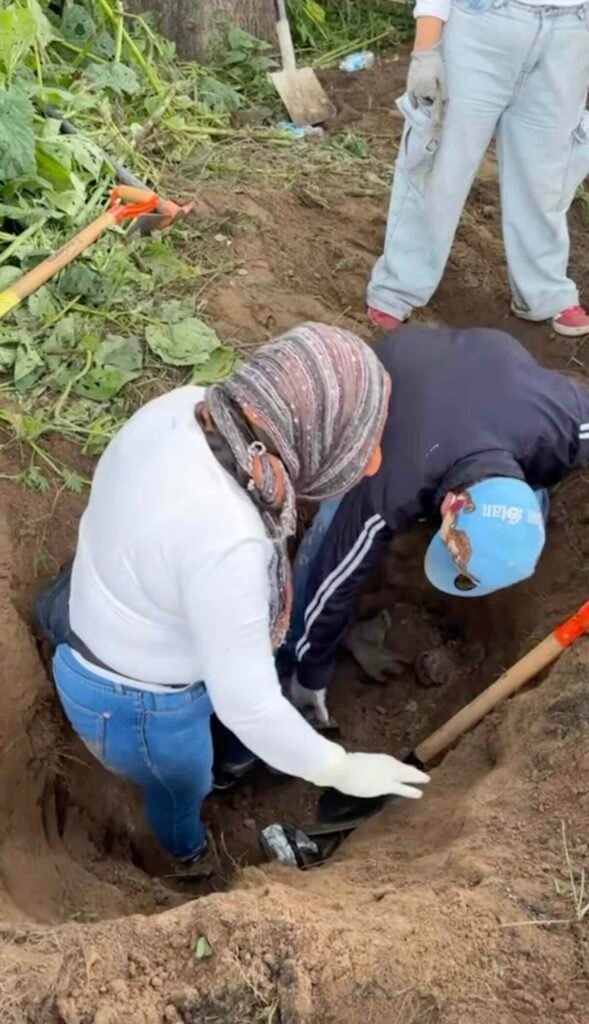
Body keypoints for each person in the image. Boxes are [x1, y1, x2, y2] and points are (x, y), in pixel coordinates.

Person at [35, 323, 429, 866]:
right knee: (181, 789)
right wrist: (340, 768)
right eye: (361, 445)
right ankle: (185, 861)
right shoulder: (231, 540)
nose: (373, 464)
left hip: (98, 598)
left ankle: (47, 616)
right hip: (133, 701)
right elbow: (249, 707)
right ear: (308, 430)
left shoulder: (188, 405)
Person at [285, 324, 589, 722]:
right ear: (447, 505)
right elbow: (333, 580)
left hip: (489, 369)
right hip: (395, 372)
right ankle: (287, 645)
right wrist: (309, 680)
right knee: (331, 533)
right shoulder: (387, 483)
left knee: (538, 489)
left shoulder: (565, 421)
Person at [367, 0, 589, 338]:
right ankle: (398, 288)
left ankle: (544, 291)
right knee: (441, 165)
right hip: (483, 25)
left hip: (571, 32)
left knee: (547, 176)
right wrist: (426, 49)